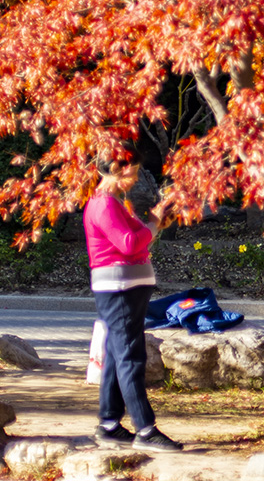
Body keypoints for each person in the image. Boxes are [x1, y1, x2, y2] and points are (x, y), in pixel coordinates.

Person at [85, 155, 183, 452]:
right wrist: (152, 223)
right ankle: (145, 429)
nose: (136, 178)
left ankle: (109, 424)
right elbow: (128, 243)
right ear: (116, 169)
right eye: (133, 172)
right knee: (130, 356)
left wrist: (156, 223)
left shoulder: (114, 203)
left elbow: (137, 241)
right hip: (119, 288)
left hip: (125, 286)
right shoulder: (104, 204)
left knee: (118, 355)